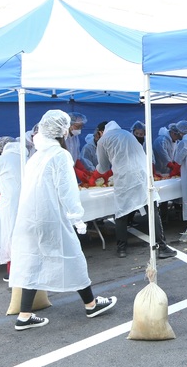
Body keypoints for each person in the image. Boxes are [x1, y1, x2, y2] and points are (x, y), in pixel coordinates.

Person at [9, 110, 117, 331]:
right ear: (61, 130)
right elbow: (67, 191)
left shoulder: (36, 156)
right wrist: (77, 218)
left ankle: (25, 314)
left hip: (29, 219)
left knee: (33, 262)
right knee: (74, 257)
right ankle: (91, 304)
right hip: (50, 218)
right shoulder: (59, 155)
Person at [90, 121, 176, 259]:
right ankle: (162, 246)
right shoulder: (127, 134)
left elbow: (103, 167)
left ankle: (122, 249)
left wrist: (94, 176)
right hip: (143, 175)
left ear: (101, 131)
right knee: (152, 211)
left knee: (121, 213)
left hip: (124, 177)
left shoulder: (103, 140)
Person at [0, 136, 21, 280]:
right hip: (30, 200)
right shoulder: (27, 157)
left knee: (11, 234)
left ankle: (13, 271)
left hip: (10, 203)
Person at [66, 112, 91, 182]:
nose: (79, 129)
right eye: (77, 127)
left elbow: (77, 157)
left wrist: (84, 169)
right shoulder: (62, 138)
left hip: (70, 173)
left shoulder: (75, 137)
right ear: (69, 124)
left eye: (81, 127)